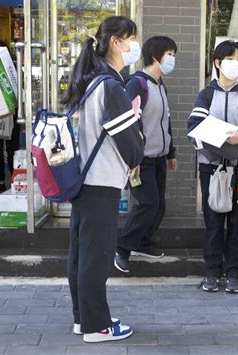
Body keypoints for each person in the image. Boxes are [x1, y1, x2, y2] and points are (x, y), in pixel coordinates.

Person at [62, 16, 144, 343]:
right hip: (101, 183)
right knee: (96, 256)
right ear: (116, 42)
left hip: (83, 181)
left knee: (81, 253)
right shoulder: (111, 86)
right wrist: (138, 153)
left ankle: (84, 319)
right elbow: (130, 143)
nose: (133, 46)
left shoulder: (90, 81)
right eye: (131, 39)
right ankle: (97, 326)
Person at [187, 40, 238, 293]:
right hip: (212, 169)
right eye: (230, 58)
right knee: (213, 221)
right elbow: (194, 130)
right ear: (217, 63)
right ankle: (211, 273)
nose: (235, 63)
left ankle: (234, 274)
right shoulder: (206, 94)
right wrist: (226, 145)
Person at [114, 36, 178, 272]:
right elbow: (129, 123)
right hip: (141, 160)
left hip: (159, 158)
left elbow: (165, 121)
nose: (173, 59)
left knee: (158, 205)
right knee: (148, 203)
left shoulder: (160, 86)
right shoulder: (137, 84)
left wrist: (171, 153)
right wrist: (133, 157)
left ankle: (143, 242)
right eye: (169, 54)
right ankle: (122, 248)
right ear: (155, 56)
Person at [0, 39, 20, 193]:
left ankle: (15, 178)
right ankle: (0, 180)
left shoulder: (12, 67)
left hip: (12, 111)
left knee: (12, 147)